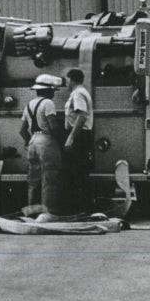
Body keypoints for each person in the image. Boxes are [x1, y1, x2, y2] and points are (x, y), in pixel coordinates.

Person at [19, 73, 63, 214]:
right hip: (46, 141)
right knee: (49, 179)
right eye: (53, 91)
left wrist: (28, 142)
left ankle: (31, 211)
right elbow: (53, 126)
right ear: (48, 90)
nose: (54, 94)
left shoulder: (29, 105)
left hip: (33, 141)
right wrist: (62, 140)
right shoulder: (48, 103)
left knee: (33, 180)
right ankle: (48, 212)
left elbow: (22, 130)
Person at [63, 68, 94, 213]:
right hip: (80, 135)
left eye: (66, 79)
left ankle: (80, 208)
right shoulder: (80, 92)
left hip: (79, 136)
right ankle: (81, 207)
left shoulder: (78, 94)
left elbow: (81, 116)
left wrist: (71, 137)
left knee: (76, 172)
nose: (65, 82)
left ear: (71, 79)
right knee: (78, 172)